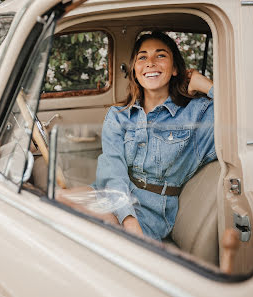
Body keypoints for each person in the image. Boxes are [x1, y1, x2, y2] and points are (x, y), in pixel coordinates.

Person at [57, 32, 215, 241]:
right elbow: (113, 171)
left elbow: (247, 114)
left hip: (152, 210)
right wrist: (127, 217)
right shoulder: (118, 115)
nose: (150, 62)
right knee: (52, 200)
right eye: (142, 57)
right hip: (113, 193)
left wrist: (203, 84)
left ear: (175, 68)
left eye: (160, 56)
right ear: (134, 69)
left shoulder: (198, 113)